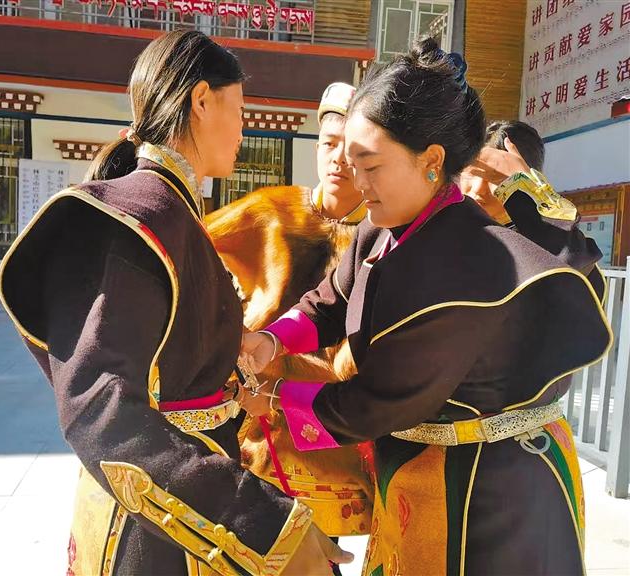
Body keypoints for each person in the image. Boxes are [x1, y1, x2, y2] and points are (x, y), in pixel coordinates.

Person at [241, 38, 611, 576]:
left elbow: (377, 402)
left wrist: (274, 398)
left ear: (432, 162)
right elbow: (332, 299)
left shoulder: (468, 261)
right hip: (419, 470)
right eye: (350, 163)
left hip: (491, 492)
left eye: (370, 165)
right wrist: (272, 338)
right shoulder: (380, 228)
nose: (357, 182)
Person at [0, 30, 351, 576]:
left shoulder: (175, 213)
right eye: (240, 110)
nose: (244, 129)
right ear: (202, 100)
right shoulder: (133, 223)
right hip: (154, 533)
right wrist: (262, 521)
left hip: (189, 513)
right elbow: (101, 412)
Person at [205, 82, 373, 539]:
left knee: (320, 553)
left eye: (353, 150)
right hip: (252, 424)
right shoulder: (271, 212)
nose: (338, 160)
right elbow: (190, 252)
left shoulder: (380, 236)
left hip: (332, 431)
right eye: (329, 144)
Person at [461, 119, 606, 300]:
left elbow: (574, 278)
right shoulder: (451, 228)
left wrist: (530, 193)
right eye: (471, 174)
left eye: (495, 177)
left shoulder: (556, 246)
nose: (477, 190)